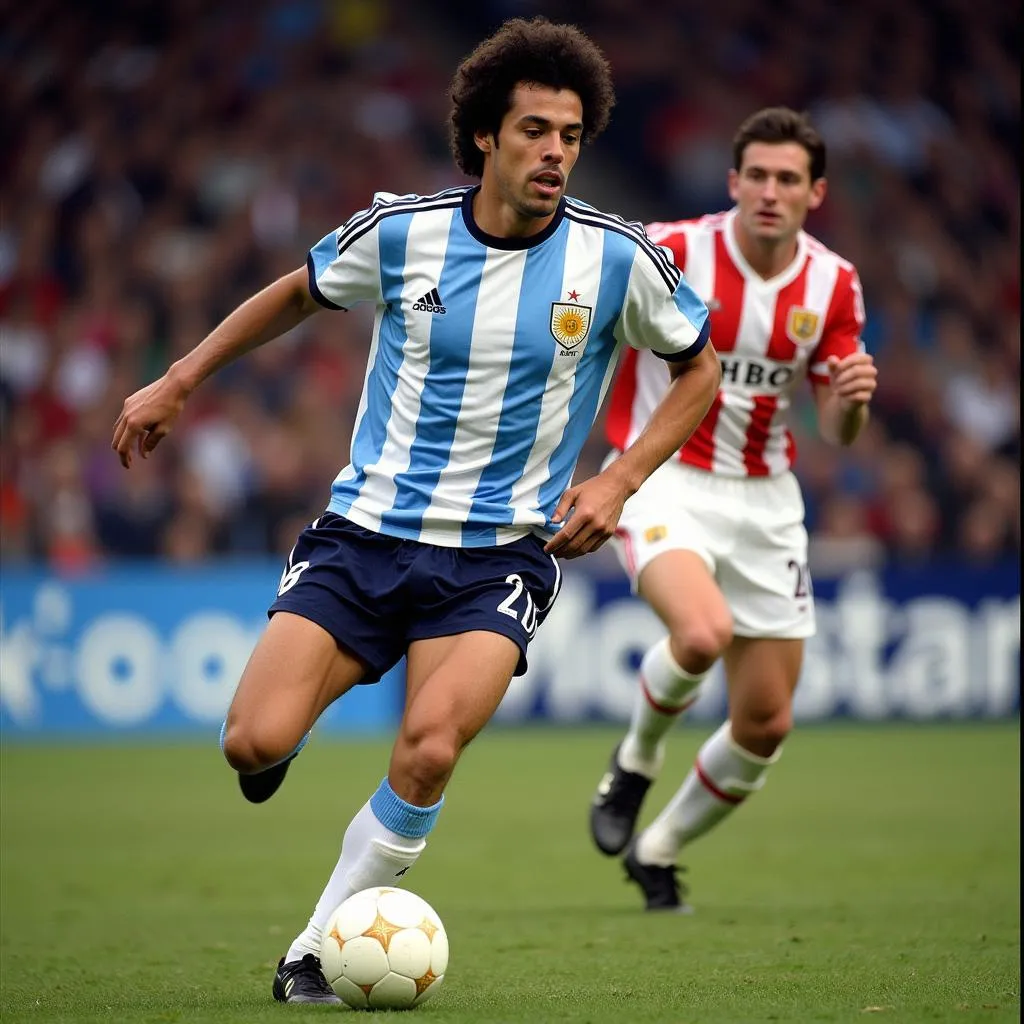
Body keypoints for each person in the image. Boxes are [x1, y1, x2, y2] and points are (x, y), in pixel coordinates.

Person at [112, 16, 719, 1004]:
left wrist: (616, 480)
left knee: (430, 744)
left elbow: (697, 372)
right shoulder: (401, 231)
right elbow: (298, 294)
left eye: (569, 133)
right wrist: (180, 378)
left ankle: (312, 948)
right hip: (365, 535)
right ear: (485, 134)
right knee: (253, 742)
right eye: (533, 130)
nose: (555, 151)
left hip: (497, 557)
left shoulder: (615, 257)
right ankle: (286, 736)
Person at [588, 107, 878, 911]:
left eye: (788, 179)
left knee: (765, 723)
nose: (770, 192)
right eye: (757, 175)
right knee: (702, 632)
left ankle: (659, 846)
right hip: (663, 477)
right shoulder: (671, 251)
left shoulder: (834, 283)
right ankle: (635, 764)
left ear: (814, 193)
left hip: (766, 501)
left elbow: (841, 430)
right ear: (732, 182)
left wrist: (851, 401)